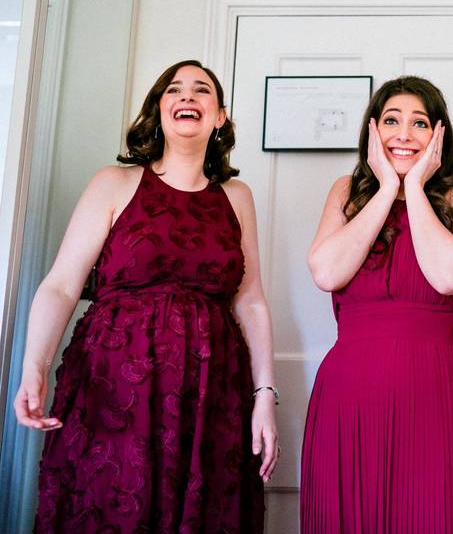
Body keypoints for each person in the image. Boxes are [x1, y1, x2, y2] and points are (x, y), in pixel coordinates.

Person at [14, 60, 277, 533]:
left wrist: (264, 396)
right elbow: (61, 285)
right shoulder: (113, 183)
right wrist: (34, 368)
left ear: (220, 116)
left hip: (211, 392)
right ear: (159, 110)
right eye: (174, 90)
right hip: (115, 386)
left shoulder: (236, 196)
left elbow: (251, 300)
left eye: (201, 90)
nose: (187, 96)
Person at [302, 76, 453, 533]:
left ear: (438, 136)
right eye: (391, 121)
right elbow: (326, 272)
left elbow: (449, 275)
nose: (404, 134)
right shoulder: (347, 192)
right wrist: (388, 188)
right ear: (372, 131)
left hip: (434, 393)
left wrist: (416, 190)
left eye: (419, 123)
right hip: (349, 397)